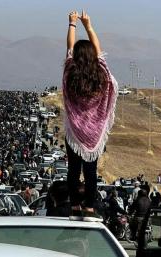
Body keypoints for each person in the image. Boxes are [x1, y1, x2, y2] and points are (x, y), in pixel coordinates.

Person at [63, 10, 118, 221]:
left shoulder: (70, 72)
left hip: (74, 132)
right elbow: (99, 51)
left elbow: (69, 47)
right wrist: (89, 25)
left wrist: (72, 24)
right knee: (91, 171)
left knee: (73, 170)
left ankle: (75, 206)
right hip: (94, 134)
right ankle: (88, 208)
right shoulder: (101, 73)